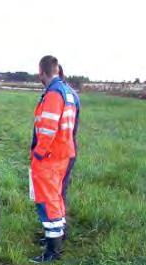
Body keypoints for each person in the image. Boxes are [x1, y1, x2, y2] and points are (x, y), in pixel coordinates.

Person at [29, 55, 79, 263]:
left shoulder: (53, 95)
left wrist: (38, 154)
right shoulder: (70, 93)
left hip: (50, 157)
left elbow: (48, 129)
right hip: (65, 154)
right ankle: (57, 237)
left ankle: (52, 251)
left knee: (47, 201)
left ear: (42, 72)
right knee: (56, 197)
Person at [58, 65, 81, 210]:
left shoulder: (58, 95)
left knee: (57, 191)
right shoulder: (72, 95)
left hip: (61, 150)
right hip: (69, 147)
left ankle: (58, 228)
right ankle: (58, 224)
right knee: (60, 189)